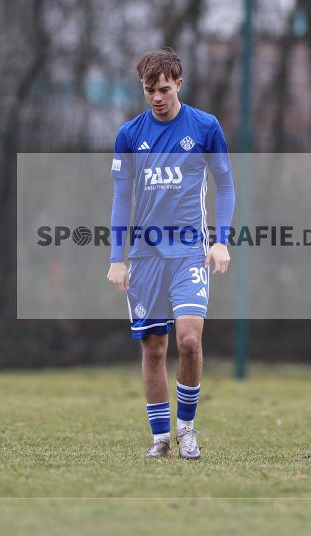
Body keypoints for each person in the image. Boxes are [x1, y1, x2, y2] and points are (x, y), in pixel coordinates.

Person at [106, 47, 235, 460]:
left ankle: (187, 430)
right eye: (149, 90)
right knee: (154, 347)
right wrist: (116, 257)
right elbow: (121, 198)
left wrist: (221, 240)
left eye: (163, 89)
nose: (156, 97)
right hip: (144, 257)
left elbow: (227, 186)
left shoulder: (205, 127)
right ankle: (160, 438)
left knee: (191, 340)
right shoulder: (129, 134)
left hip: (188, 253)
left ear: (179, 84)